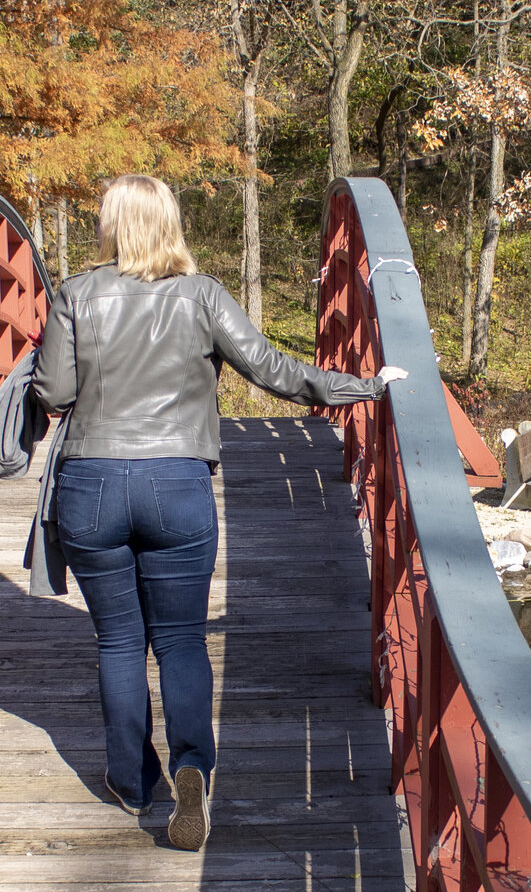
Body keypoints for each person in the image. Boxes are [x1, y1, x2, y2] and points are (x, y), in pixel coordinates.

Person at [33, 175, 404, 851]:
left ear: (112, 225)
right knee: (180, 639)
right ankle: (191, 767)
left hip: (90, 488)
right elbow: (268, 367)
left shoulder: (78, 293)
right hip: (177, 486)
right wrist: (364, 387)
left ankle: (129, 778)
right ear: (171, 224)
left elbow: (54, 390)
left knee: (118, 640)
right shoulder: (201, 296)